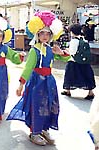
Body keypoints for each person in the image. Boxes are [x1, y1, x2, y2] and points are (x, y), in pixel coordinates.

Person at [7, 11, 68, 146]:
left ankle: (44, 129)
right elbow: (28, 68)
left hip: (49, 82)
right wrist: (21, 84)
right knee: (37, 106)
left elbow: (67, 58)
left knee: (49, 105)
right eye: (42, 33)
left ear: (51, 35)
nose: (45, 36)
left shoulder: (51, 49)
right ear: (37, 35)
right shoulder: (35, 50)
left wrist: (61, 53)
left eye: (47, 33)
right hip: (37, 83)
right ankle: (34, 132)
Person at [61, 24, 96, 100]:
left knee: (70, 76)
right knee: (86, 76)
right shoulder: (83, 39)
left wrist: (65, 50)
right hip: (84, 63)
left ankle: (68, 90)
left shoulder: (74, 41)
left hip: (74, 62)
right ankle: (90, 92)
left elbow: (72, 52)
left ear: (72, 32)